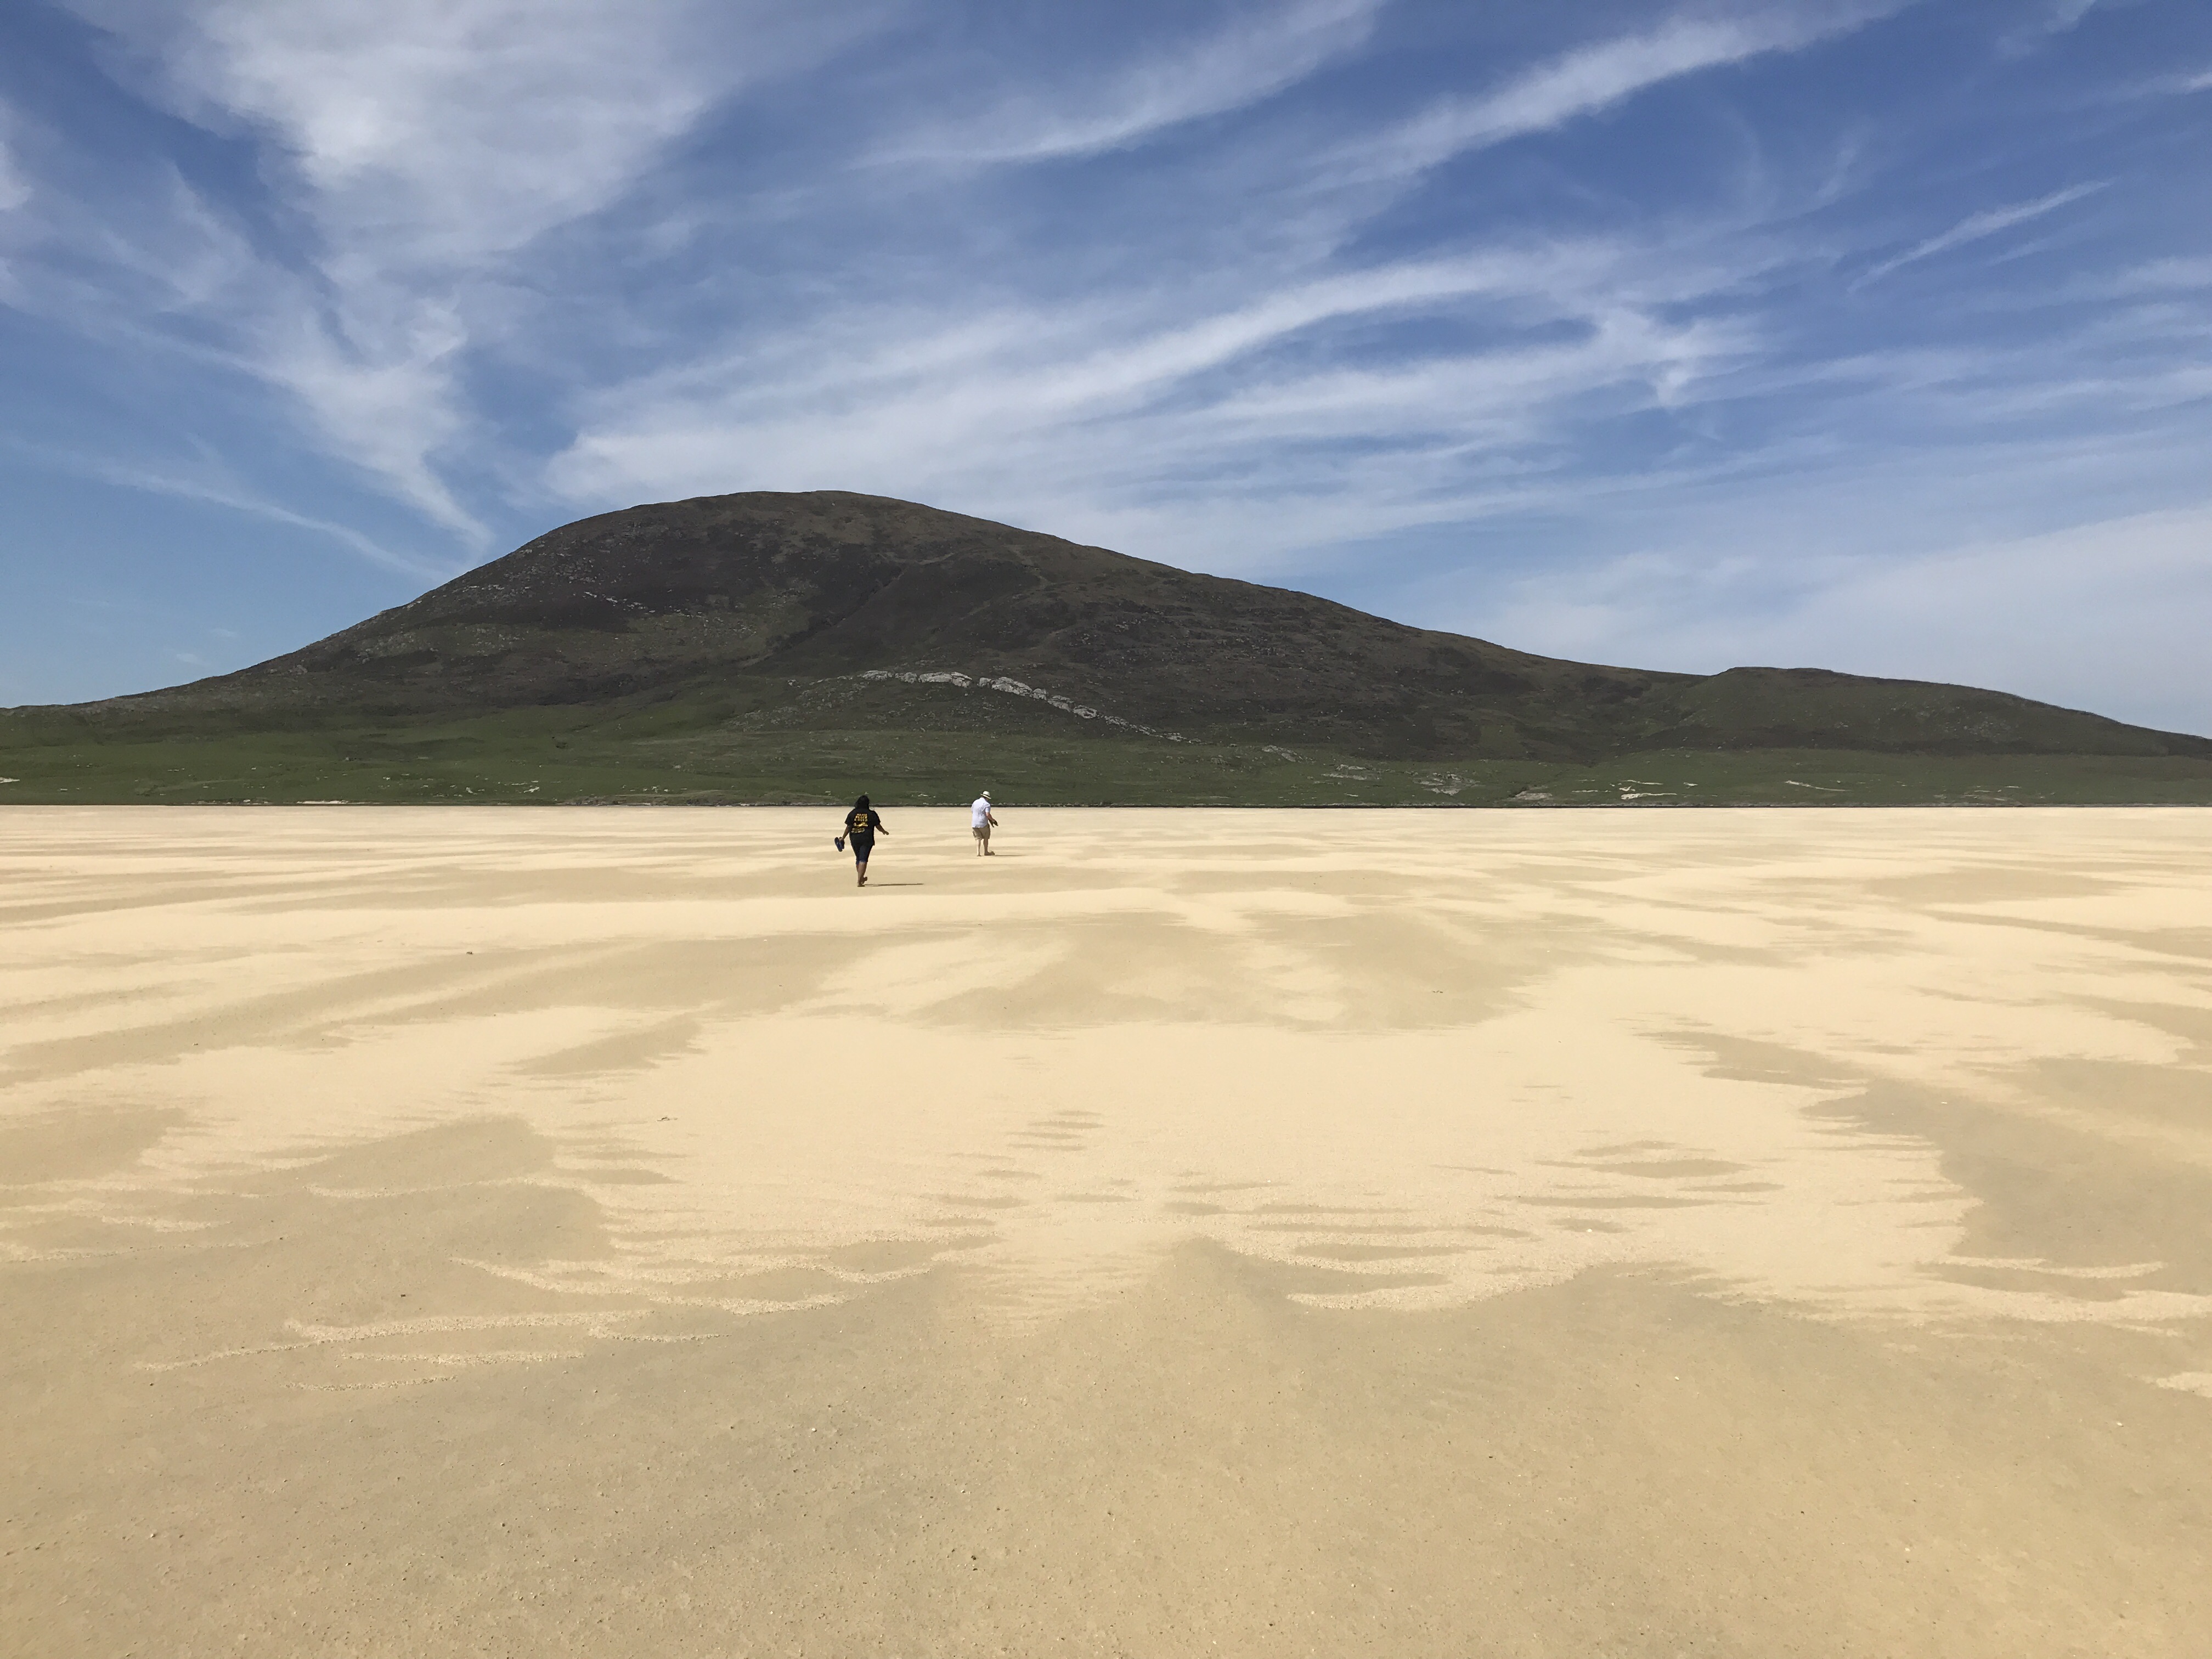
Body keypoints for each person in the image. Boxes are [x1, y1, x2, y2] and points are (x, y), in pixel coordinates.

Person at [840, 794, 887, 887]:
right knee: (863, 859)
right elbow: (878, 826)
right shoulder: (871, 814)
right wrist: (883, 831)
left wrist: (843, 837)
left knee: (858, 858)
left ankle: (861, 879)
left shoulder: (853, 813)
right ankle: (859, 880)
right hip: (867, 838)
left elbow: (849, 827)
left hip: (854, 838)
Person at [970, 790, 998, 855]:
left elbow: (972, 811)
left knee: (978, 838)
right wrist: (993, 821)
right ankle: (986, 852)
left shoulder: (975, 802)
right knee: (986, 837)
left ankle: (978, 853)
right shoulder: (987, 804)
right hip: (983, 823)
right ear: (987, 798)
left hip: (974, 823)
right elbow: (988, 814)